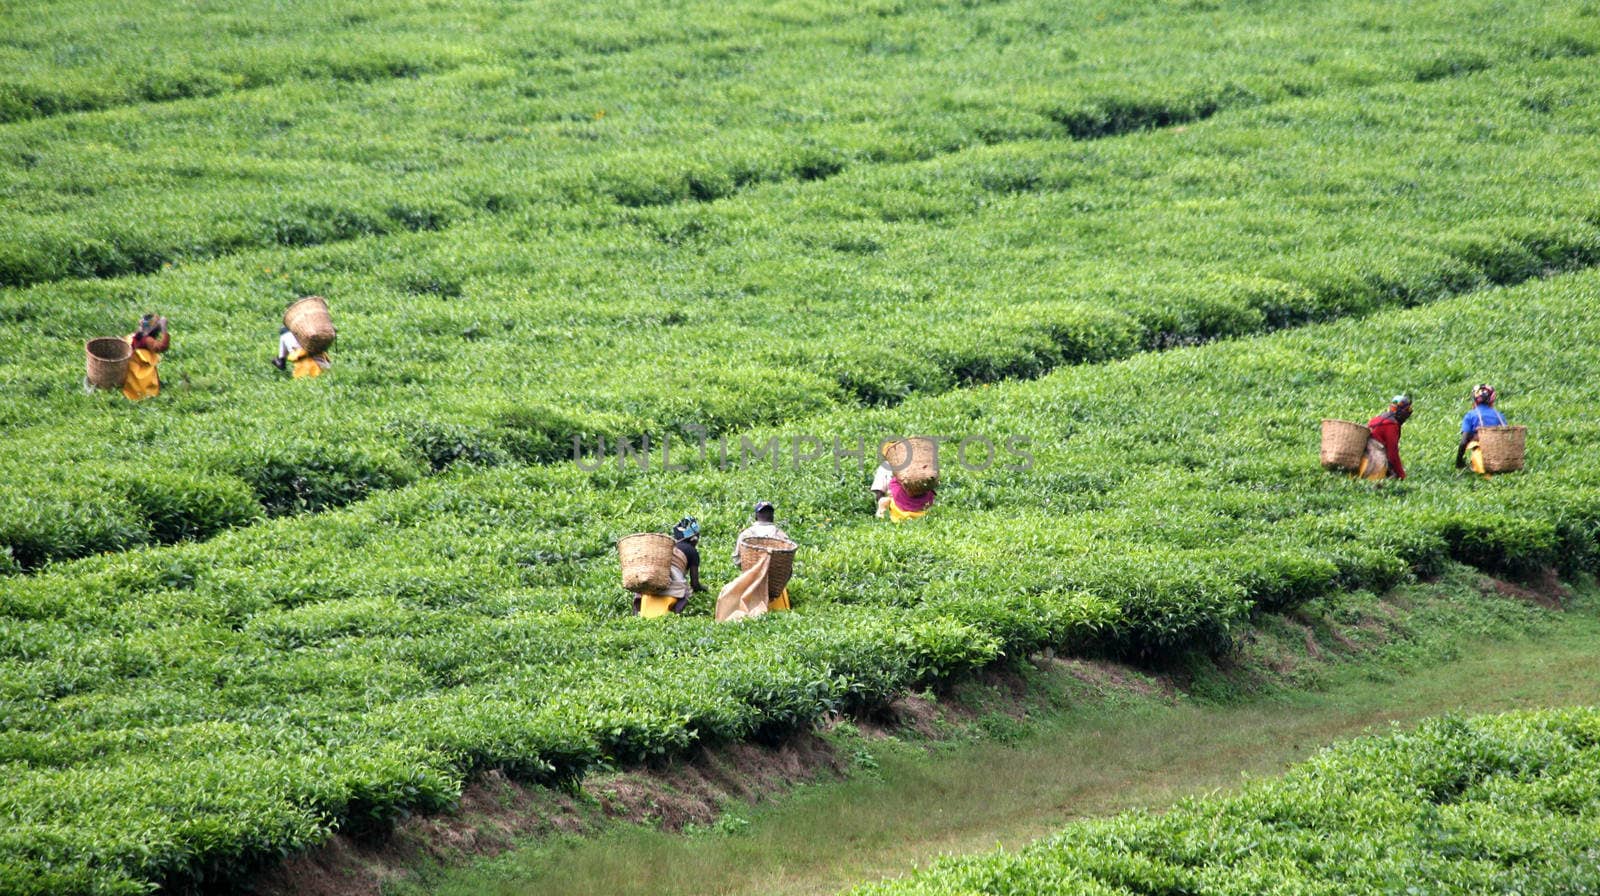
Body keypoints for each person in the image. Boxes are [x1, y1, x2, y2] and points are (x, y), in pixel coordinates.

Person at [633, 517, 704, 618]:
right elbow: (695, 584)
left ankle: (638, 612)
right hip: (672, 585)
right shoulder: (692, 551)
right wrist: (705, 590)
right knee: (686, 592)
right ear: (694, 539)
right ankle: (675, 612)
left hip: (652, 583)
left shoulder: (668, 547)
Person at [733, 501, 792, 612]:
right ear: (772, 516)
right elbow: (788, 563)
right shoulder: (781, 535)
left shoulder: (746, 534)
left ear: (756, 516)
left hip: (751, 584)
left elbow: (737, 559)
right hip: (775, 588)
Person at [1359, 394, 1412, 481]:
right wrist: (1401, 475)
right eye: (1408, 410)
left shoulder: (1378, 419)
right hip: (1373, 458)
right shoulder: (1391, 426)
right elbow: (1392, 454)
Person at [1456, 383, 1507, 474]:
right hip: (1501, 457)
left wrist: (1459, 462)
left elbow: (1463, 442)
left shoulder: (1470, 415)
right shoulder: (1499, 416)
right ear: (1492, 399)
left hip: (1482, 459)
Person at [123, 313, 169, 401]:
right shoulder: (147, 340)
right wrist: (164, 328)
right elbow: (162, 347)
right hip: (141, 375)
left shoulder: (131, 336)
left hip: (129, 374)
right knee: (144, 390)